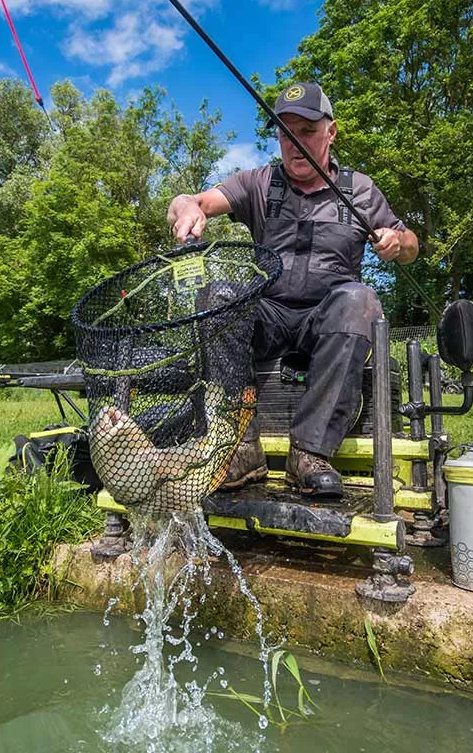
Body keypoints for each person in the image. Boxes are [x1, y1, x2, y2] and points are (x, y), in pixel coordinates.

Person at [167, 82, 419, 499]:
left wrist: (398, 242)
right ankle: (240, 448)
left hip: (328, 317)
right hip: (269, 314)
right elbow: (191, 201)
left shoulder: (360, 190)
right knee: (217, 296)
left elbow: (410, 246)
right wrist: (186, 207)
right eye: (286, 133)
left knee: (360, 299)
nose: (295, 143)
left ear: (331, 132)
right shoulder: (259, 182)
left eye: (307, 131)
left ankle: (310, 454)